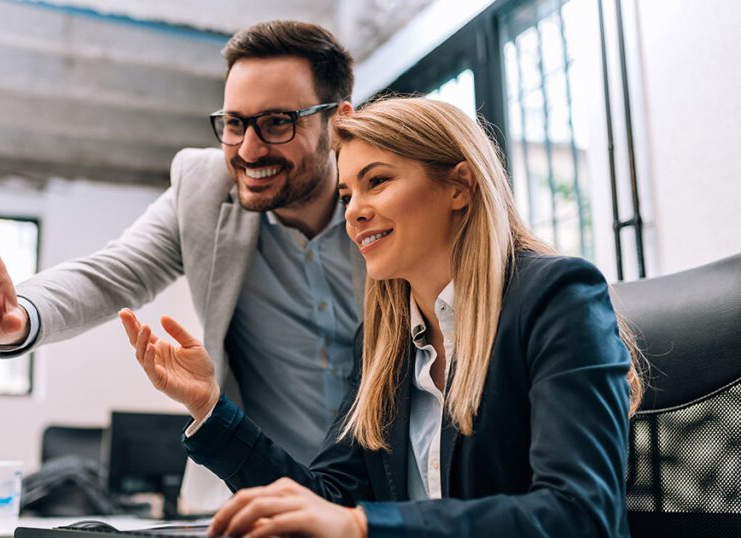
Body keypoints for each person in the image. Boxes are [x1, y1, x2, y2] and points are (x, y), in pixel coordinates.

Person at [117, 96, 644, 537]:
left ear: (459, 187)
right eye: (347, 194)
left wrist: (362, 526)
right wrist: (210, 407)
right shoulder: (383, 342)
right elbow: (328, 501)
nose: (354, 211)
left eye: (378, 182)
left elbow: (581, 514)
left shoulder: (558, 298)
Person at [0, 21, 364, 505]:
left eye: (277, 123)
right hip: (261, 493)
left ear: (338, 122)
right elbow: (111, 274)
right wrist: (17, 314)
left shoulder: (388, 201)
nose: (248, 149)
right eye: (234, 123)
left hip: (389, 490)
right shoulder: (204, 190)